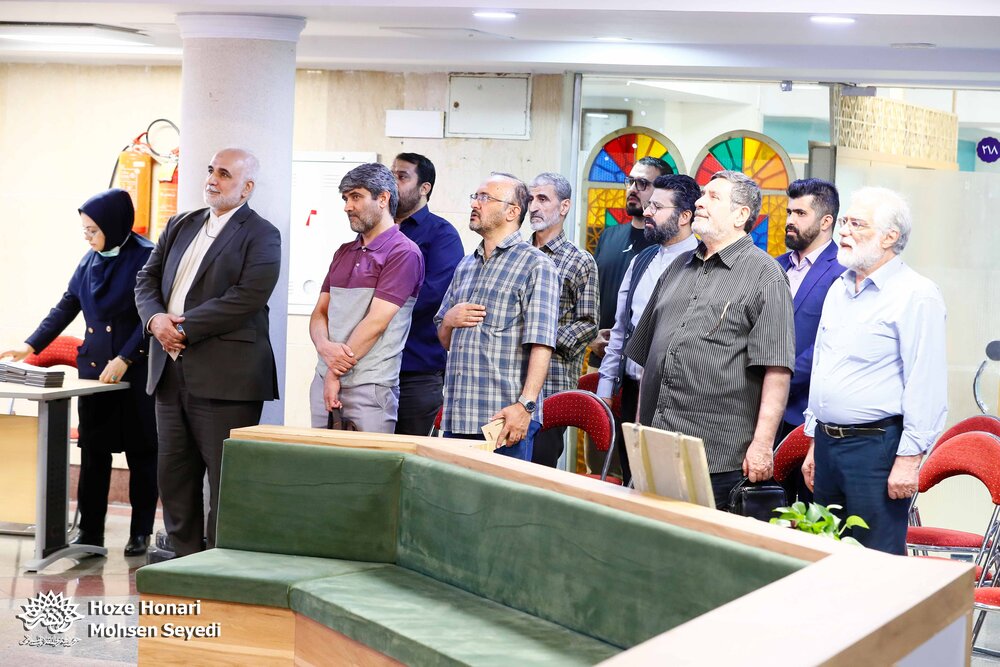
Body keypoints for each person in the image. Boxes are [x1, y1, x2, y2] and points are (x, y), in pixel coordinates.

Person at [135, 147, 281, 557]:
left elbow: (248, 297)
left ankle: (219, 569)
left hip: (226, 377)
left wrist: (183, 328)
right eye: (211, 170)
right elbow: (146, 279)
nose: (212, 179)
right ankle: (183, 564)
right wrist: (156, 321)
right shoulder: (180, 224)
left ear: (246, 188)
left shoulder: (262, 233)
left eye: (224, 174)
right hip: (169, 371)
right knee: (174, 476)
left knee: (225, 481)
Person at [2, 189, 158, 557]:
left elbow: (152, 315)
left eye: (92, 230)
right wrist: (30, 345)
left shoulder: (147, 256)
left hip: (134, 371)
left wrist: (126, 358)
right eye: (85, 230)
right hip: (95, 372)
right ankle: (90, 532)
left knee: (141, 454)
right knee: (94, 452)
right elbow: (66, 305)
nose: (87, 237)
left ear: (113, 225)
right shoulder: (90, 260)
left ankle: (140, 532)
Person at [625, 170, 794, 508]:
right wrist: (642, 431)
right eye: (702, 194)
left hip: (718, 456)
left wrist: (763, 446)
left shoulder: (766, 275)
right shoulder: (677, 268)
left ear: (740, 215)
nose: (700, 202)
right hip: (660, 444)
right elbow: (649, 359)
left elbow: (777, 370)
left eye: (713, 197)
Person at [801, 187, 947, 554]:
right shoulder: (839, 288)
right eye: (845, 222)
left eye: (857, 224)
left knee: (874, 561)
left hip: (876, 449)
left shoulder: (916, 294)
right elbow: (823, 367)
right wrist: (814, 441)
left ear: (889, 237)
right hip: (828, 445)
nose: (844, 231)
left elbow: (926, 383)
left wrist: (910, 459)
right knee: (824, 555)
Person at [435, 172, 559, 447]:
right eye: (475, 197)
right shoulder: (466, 265)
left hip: (503, 420)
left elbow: (542, 344)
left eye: (485, 198)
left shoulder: (536, 265)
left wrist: (525, 406)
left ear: (512, 212)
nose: (474, 204)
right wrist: (449, 321)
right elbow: (446, 341)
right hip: (458, 417)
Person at [596, 174, 700, 484]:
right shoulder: (642, 260)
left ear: (684, 216)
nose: (647, 212)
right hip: (631, 391)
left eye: (657, 207)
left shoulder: (702, 264)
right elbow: (620, 331)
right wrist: (605, 390)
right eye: (649, 204)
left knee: (670, 485)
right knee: (632, 481)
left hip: (676, 398)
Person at [309, 163, 424, 432]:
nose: (347, 206)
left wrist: (334, 373)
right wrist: (324, 347)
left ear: (383, 198)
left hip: (370, 386)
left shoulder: (404, 252)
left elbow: (376, 323)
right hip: (323, 380)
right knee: (317, 459)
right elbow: (320, 313)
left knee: (366, 462)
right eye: (345, 198)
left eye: (356, 197)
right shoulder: (342, 252)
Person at [774, 178, 845, 503]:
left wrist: (779, 381)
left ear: (826, 221)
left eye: (800, 213)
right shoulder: (775, 266)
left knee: (804, 512)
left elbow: (829, 344)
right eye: (790, 211)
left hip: (805, 415)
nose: (790, 220)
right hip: (762, 412)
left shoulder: (842, 271)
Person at [527, 172, 599, 467]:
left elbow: (588, 324)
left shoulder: (580, 260)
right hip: (507, 380)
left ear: (565, 206)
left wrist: (539, 336)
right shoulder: (516, 255)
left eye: (543, 199)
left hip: (552, 386)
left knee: (539, 471)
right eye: (530, 199)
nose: (533, 207)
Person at [390, 153, 464, 436]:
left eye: (402, 176)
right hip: (370, 370)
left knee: (411, 455)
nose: (393, 182)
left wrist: (378, 310)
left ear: (425, 188)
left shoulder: (441, 234)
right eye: (391, 175)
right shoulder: (377, 232)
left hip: (416, 372)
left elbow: (434, 294)